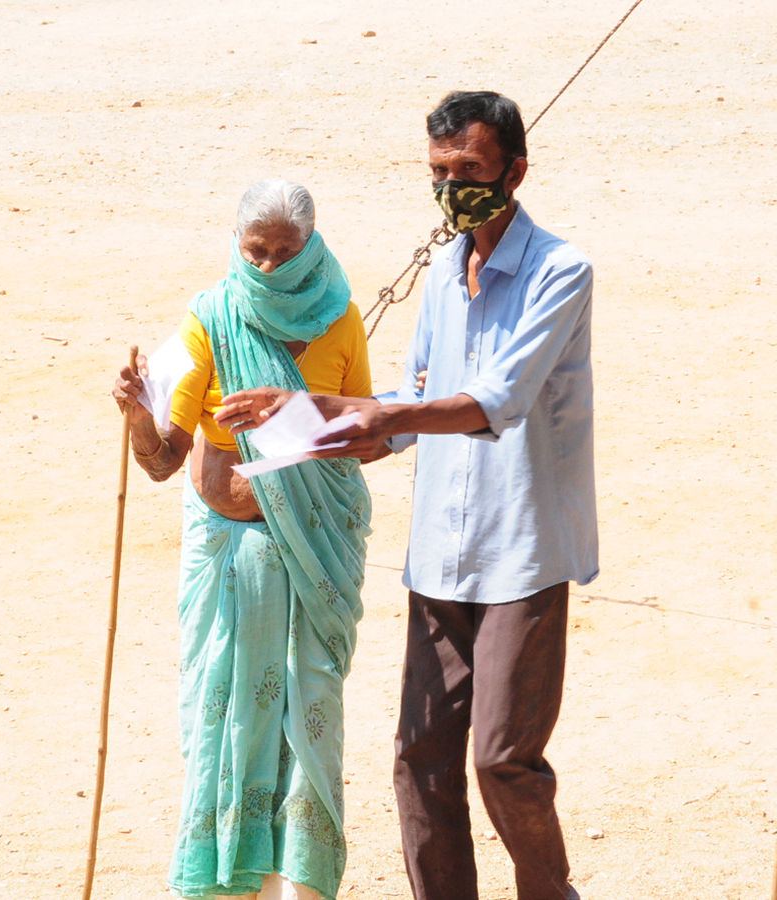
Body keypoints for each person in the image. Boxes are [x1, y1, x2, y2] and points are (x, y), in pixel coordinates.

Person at [216, 91, 596, 900]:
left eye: (471, 169)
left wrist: (373, 411)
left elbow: (497, 399)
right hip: (436, 554)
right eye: (440, 171)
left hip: (521, 550)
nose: (454, 186)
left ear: (515, 171)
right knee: (420, 756)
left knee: (502, 757)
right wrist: (323, 432)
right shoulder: (442, 280)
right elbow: (407, 410)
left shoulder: (561, 272)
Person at [112, 179, 373, 900]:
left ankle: (303, 885)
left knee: (311, 716)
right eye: (254, 251)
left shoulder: (341, 320)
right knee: (223, 719)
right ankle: (228, 882)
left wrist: (306, 417)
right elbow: (165, 459)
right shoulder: (211, 317)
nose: (266, 267)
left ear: (310, 247)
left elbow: (370, 435)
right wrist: (138, 414)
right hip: (227, 558)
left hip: (317, 554)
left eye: (283, 253)